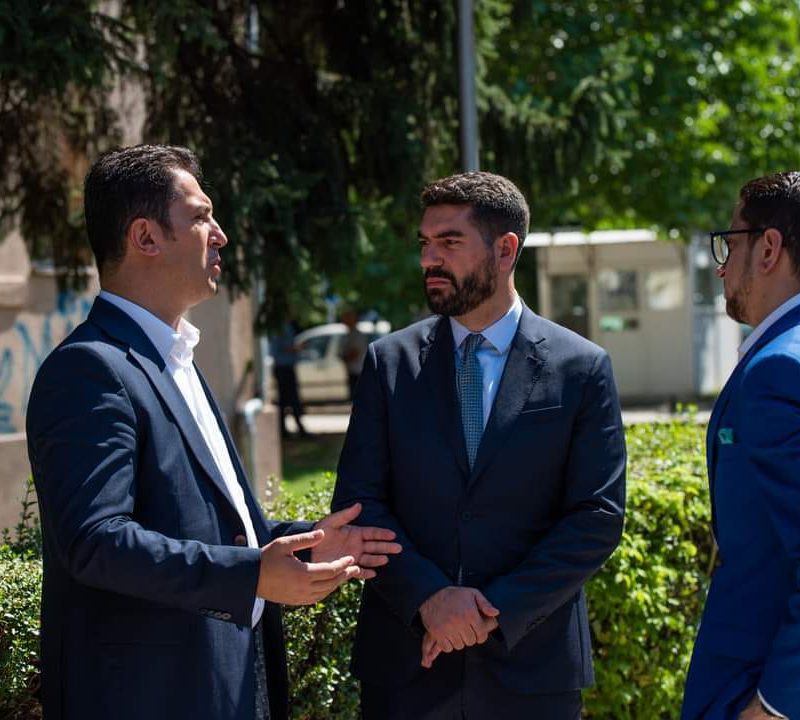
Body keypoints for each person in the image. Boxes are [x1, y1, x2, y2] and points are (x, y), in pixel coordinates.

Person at [26, 144, 401, 720]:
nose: (221, 235)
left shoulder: (174, 357)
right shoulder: (89, 369)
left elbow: (208, 524)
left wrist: (303, 544)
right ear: (145, 237)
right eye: (201, 217)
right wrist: (252, 576)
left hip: (227, 684)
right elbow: (96, 542)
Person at [331, 171, 626, 719]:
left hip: (532, 669)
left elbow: (597, 516)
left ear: (505, 249)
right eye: (425, 243)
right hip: (406, 669)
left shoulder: (581, 368)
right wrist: (430, 599)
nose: (429, 259)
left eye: (449, 242)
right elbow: (359, 502)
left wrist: (492, 611)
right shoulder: (388, 363)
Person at [682, 172, 800, 720]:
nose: (722, 266)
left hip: (757, 683)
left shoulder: (778, 370)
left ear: (769, 248)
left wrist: (773, 704)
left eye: (729, 244)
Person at [270, 319, 311, 437]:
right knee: (289, 399)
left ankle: (291, 429)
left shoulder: (285, 326)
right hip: (283, 368)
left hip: (286, 367)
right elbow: (281, 347)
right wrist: (296, 348)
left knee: (289, 400)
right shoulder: (281, 327)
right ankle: (290, 430)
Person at [338, 308, 368, 400]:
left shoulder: (357, 335)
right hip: (353, 371)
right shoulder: (350, 334)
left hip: (358, 371)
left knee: (358, 398)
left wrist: (344, 357)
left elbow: (355, 353)